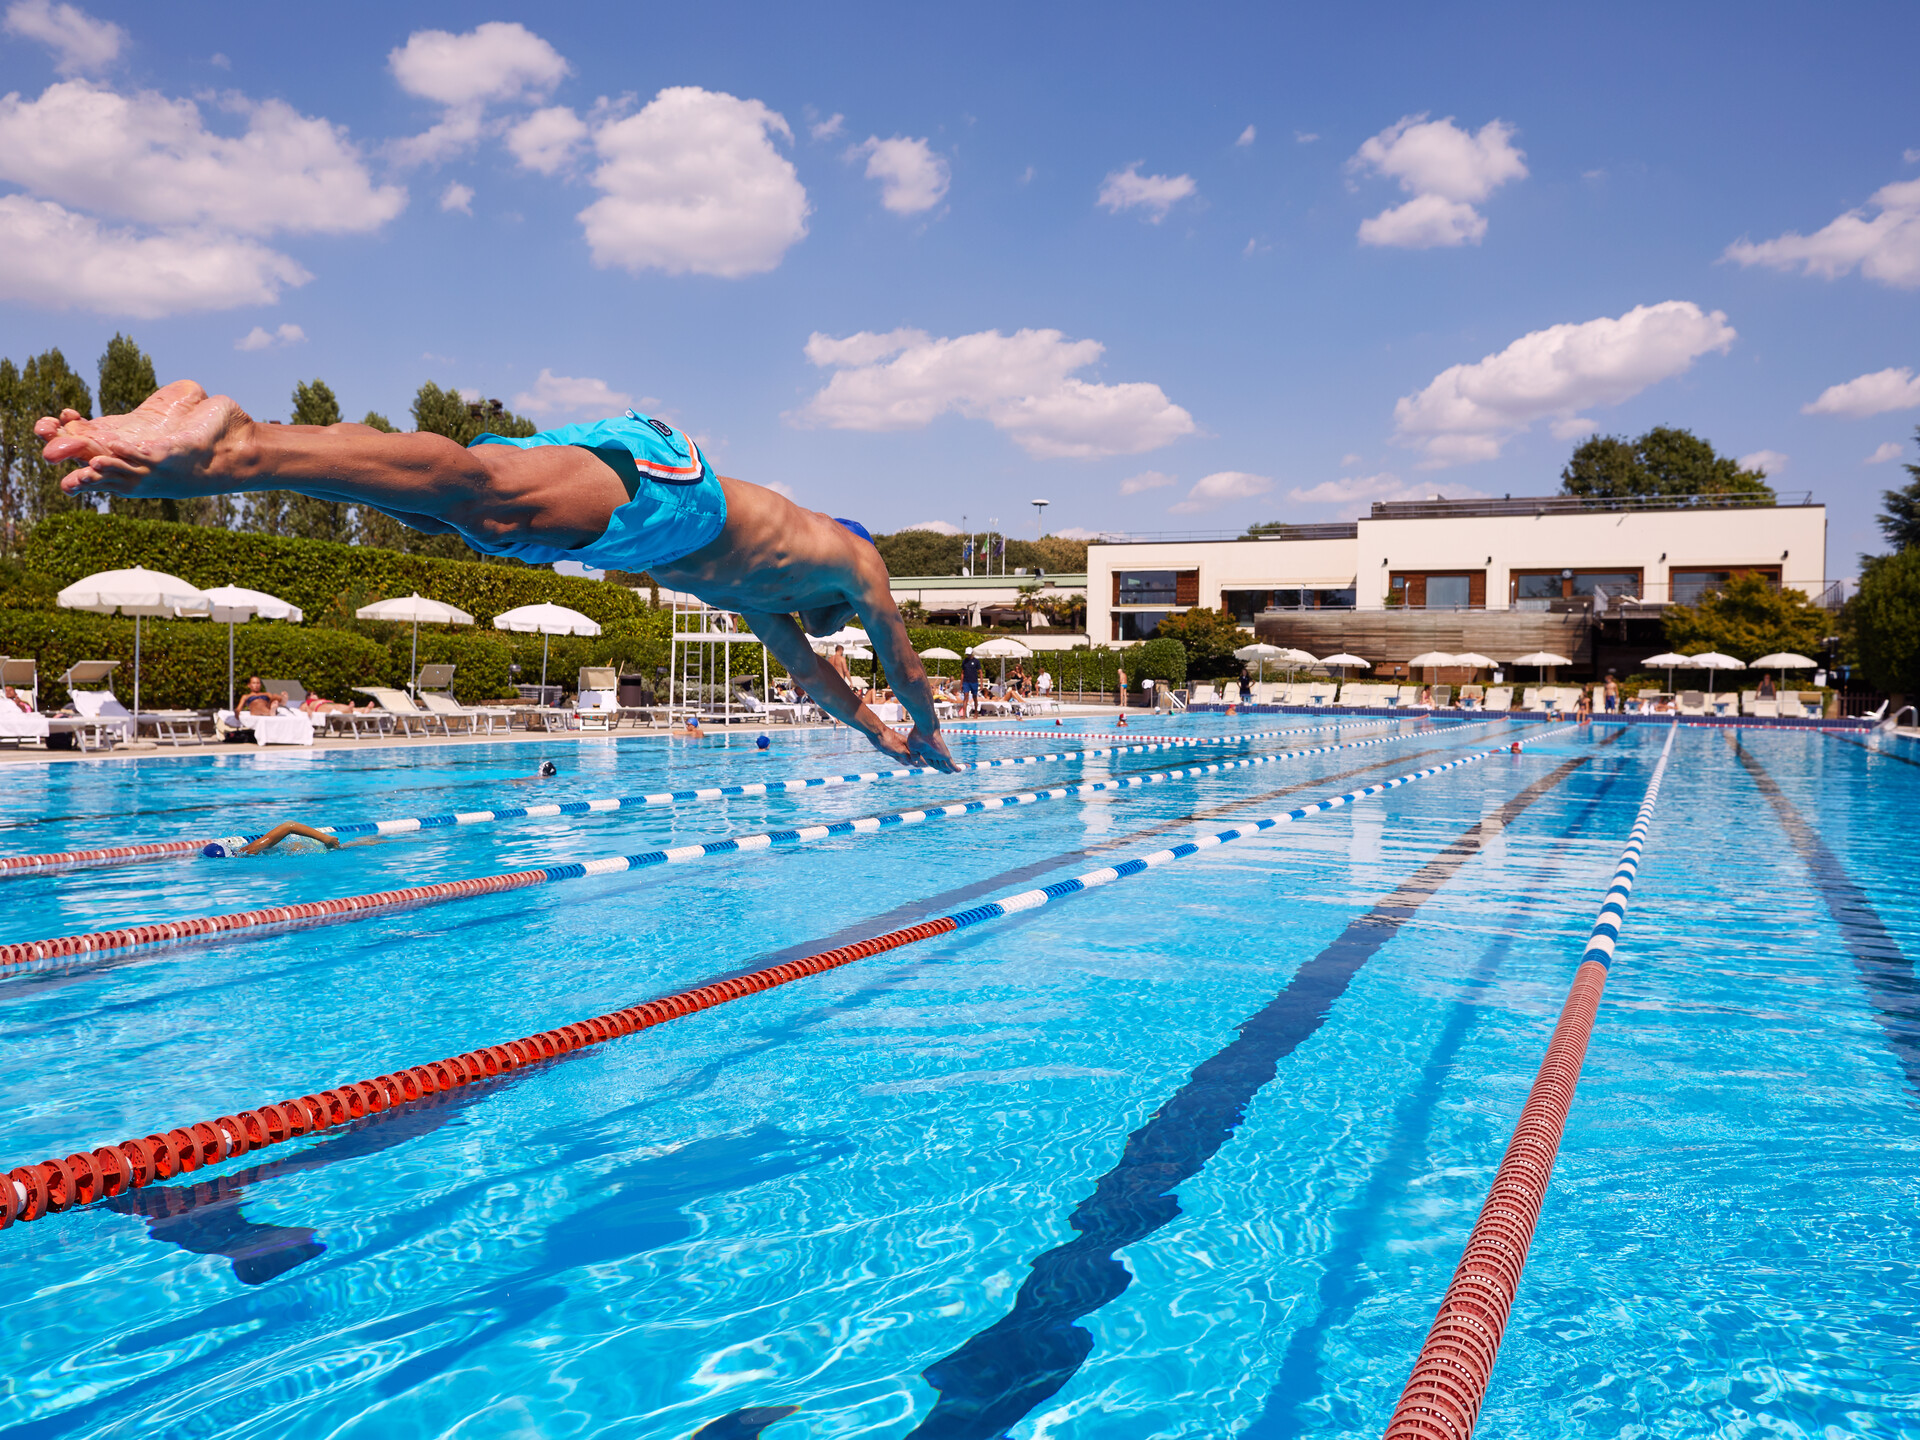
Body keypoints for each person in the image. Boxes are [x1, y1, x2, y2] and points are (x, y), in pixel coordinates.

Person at [38, 382, 956, 773]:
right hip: (679, 495)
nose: (836, 627)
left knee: (451, 505)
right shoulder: (855, 553)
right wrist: (923, 730)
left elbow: (816, 681)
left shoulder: (772, 604)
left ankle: (234, 439)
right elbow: (900, 657)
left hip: (638, 532)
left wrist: (876, 734)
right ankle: (238, 442)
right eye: (842, 620)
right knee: (483, 493)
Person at [961, 648, 982, 717]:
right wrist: (961, 683)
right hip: (966, 681)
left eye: (969, 654)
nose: (968, 655)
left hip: (974, 682)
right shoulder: (965, 661)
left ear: (972, 653)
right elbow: (962, 673)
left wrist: (981, 683)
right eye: (967, 654)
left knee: (975, 697)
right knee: (966, 696)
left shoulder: (976, 661)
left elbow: (980, 672)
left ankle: (976, 713)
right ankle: (964, 714)